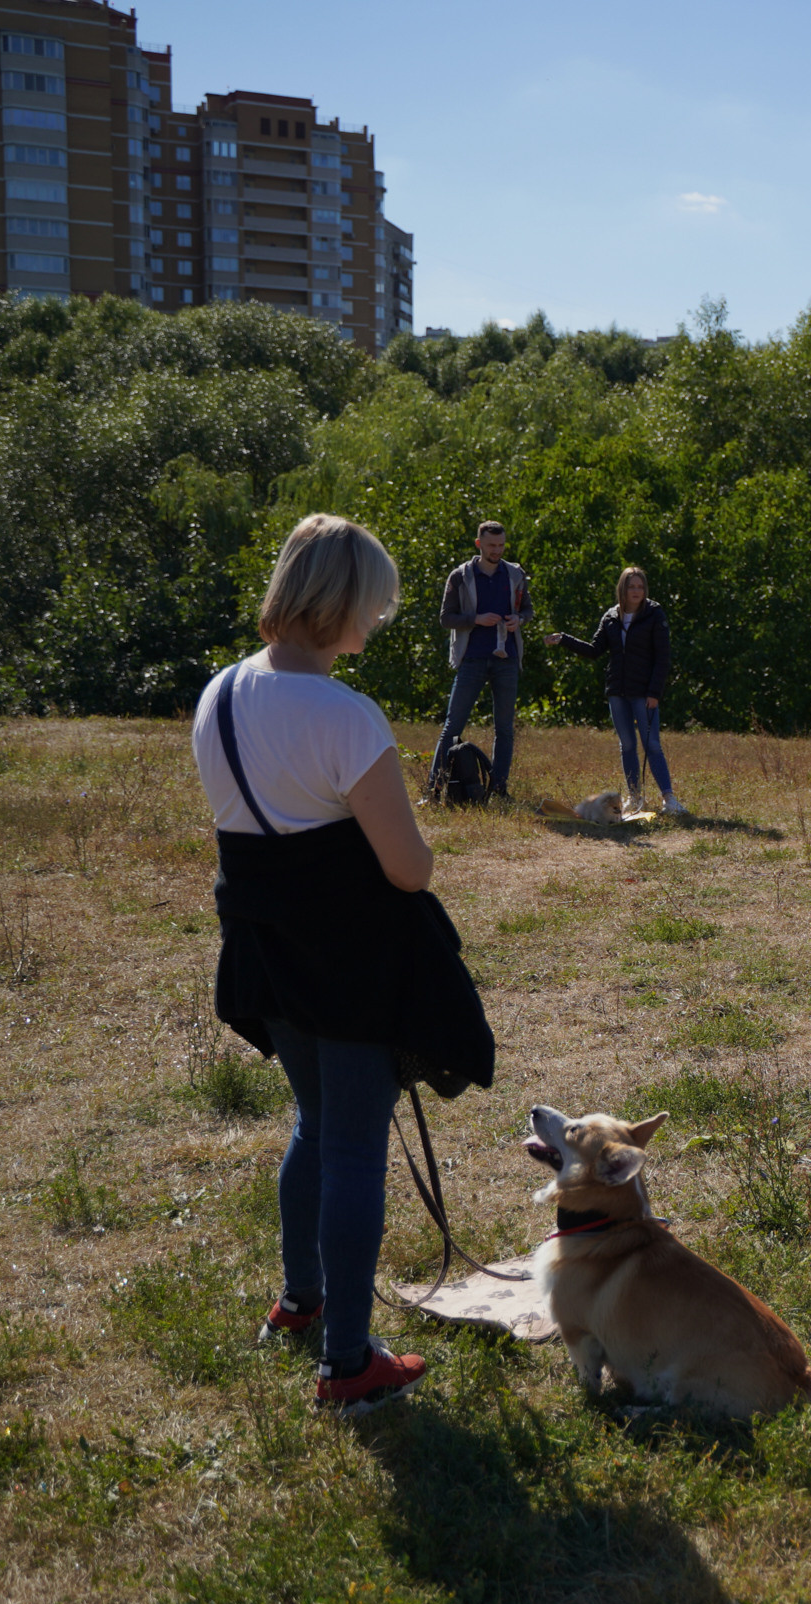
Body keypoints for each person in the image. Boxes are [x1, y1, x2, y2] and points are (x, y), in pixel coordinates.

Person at [193, 514, 495, 1413]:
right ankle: (349, 1361)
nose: (379, 620)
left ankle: (301, 1304)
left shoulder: (218, 693)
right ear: (339, 602)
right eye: (373, 603)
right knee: (357, 1146)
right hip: (347, 961)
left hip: (265, 953)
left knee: (314, 1125)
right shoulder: (345, 714)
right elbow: (408, 868)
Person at [547, 565, 685, 816]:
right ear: (622, 588)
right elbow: (594, 650)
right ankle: (634, 797)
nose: (636, 591)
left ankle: (669, 799)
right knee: (627, 745)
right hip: (617, 691)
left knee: (652, 744)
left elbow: (662, 657)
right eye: (631, 586)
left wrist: (654, 692)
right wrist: (564, 639)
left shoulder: (655, 614)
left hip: (644, 692)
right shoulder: (611, 616)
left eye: (640, 586)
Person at [429, 519, 533, 803]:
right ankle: (433, 791)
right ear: (479, 544)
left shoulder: (515, 574)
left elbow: (528, 610)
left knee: (505, 728)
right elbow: (445, 618)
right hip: (472, 658)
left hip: (507, 658)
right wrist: (475, 619)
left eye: (501, 545)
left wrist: (518, 620)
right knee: (453, 727)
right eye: (491, 545)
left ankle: (499, 790)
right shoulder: (460, 576)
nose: (497, 550)